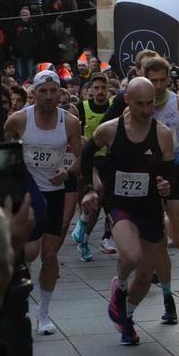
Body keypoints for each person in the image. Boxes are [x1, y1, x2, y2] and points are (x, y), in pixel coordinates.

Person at [79, 77, 175, 345]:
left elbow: (169, 176)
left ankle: (126, 318)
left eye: (151, 103)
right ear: (127, 102)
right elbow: (87, 155)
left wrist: (167, 186)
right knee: (131, 255)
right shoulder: (110, 130)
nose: (147, 109)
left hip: (149, 207)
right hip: (118, 203)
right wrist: (89, 188)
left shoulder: (163, 134)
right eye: (140, 104)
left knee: (145, 276)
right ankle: (119, 285)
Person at [3, 70, 82, 335]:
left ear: (60, 93)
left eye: (53, 91)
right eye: (43, 91)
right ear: (34, 93)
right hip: (27, 193)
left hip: (55, 193)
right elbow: (3, 155)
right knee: (28, 252)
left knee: (49, 255)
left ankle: (44, 313)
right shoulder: (17, 120)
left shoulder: (70, 122)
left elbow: (80, 158)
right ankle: (18, 300)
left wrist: (68, 173)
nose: (49, 97)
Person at [143, 57, 179, 325]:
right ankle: (168, 298)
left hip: (174, 169)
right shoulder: (136, 104)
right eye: (154, 81)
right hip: (148, 172)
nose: (159, 85)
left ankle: (163, 224)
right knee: (159, 242)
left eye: (163, 80)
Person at [70, 73, 113, 260]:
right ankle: (82, 221)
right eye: (96, 88)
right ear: (90, 90)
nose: (100, 92)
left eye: (103, 88)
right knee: (97, 191)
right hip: (90, 160)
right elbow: (74, 135)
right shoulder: (83, 107)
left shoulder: (114, 107)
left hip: (111, 160)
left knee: (109, 202)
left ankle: (99, 239)